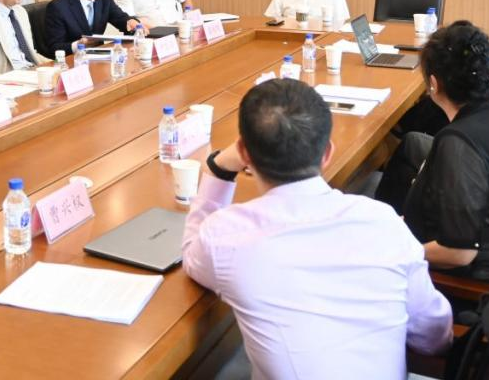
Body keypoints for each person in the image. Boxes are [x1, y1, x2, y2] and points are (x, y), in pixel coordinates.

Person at [182, 79, 452, 378]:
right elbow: (435, 336)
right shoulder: (384, 222)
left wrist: (219, 168)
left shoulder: (225, 236)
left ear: (244, 154)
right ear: (327, 153)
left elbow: (192, 253)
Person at [376, 21, 489, 282]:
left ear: (433, 84)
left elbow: (459, 253)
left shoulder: (458, 144)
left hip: (474, 282)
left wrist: (396, 253)